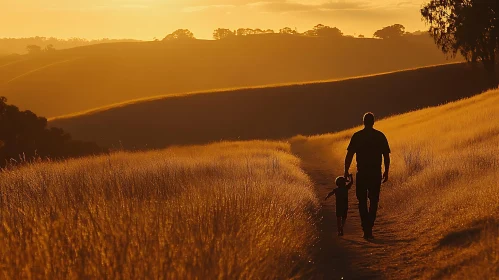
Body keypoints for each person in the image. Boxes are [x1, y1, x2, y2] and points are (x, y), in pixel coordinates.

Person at [344, 112, 390, 240]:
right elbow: (386, 156)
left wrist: (346, 171)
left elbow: (349, 155)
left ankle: (366, 228)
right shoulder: (380, 136)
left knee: (362, 201)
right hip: (375, 173)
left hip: (362, 173)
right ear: (373, 122)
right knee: (374, 200)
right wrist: (386, 171)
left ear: (363, 122)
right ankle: (369, 226)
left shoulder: (357, 136)